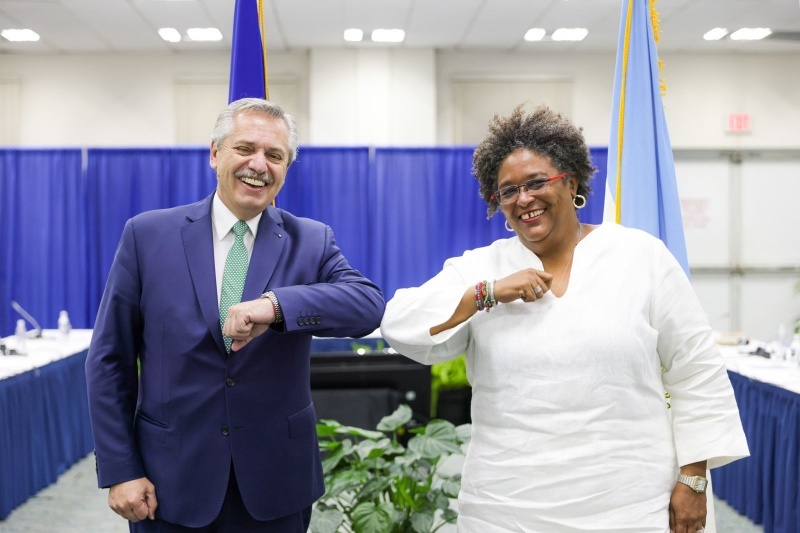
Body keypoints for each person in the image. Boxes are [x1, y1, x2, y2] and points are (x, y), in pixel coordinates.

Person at [379, 105, 749, 533]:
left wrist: (693, 479)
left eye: (537, 183)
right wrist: (487, 293)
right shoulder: (484, 266)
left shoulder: (639, 256)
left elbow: (696, 372)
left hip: (629, 502)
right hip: (506, 506)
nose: (524, 199)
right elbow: (399, 323)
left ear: (571, 181)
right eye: (508, 191)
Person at [85, 98, 385, 532]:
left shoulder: (312, 240)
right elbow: (109, 361)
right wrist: (120, 469)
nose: (258, 165)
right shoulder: (147, 236)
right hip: (169, 483)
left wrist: (276, 306)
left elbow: (367, 305)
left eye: (275, 155)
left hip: (276, 484)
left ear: (286, 169)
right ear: (214, 153)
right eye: (245, 148)